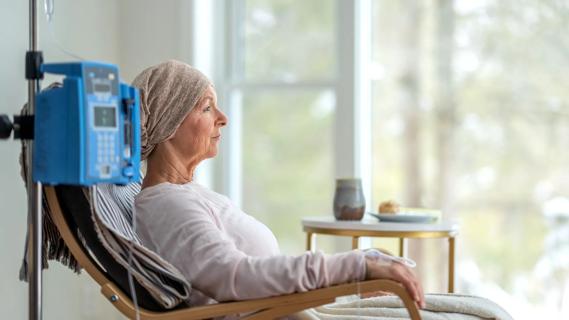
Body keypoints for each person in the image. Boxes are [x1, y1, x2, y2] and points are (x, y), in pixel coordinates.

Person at [132, 60, 425, 317]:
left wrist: (355, 276)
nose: (223, 117)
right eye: (207, 107)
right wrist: (358, 267)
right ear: (168, 123)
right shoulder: (167, 203)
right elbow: (235, 278)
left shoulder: (186, 194)